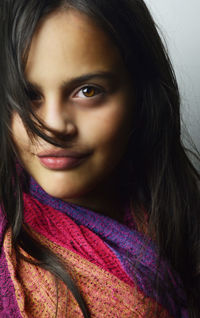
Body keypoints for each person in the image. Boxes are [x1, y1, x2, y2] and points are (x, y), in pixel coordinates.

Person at [0, 0, 199, 317]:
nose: (54, 126)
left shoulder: (180, 216)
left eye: (88, 91)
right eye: (28, 95)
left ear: (140, 94)